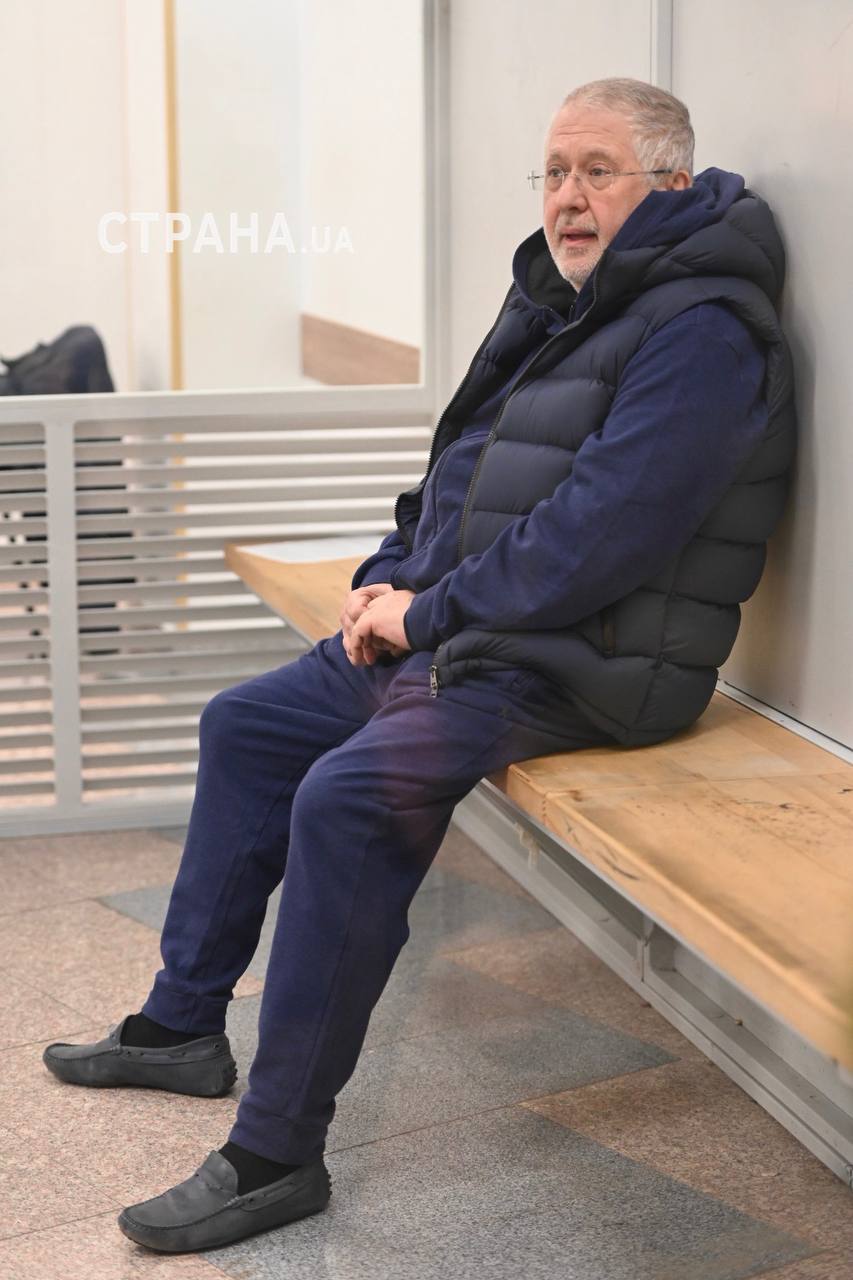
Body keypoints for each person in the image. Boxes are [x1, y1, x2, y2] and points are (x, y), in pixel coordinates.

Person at [41, 77, 796, 1255]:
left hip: (586, 662)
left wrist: (424, 614)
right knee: (247, 724)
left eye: (597, 171)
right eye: (554, 171)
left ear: (673, 185)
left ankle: (276, 1151)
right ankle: (181, 1024)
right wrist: (382, 578)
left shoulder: (704, 332)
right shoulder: (559, 296)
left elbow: (601, 536)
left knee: (346, 799)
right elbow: (456, 466)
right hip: (472, 632)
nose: (566, 196)